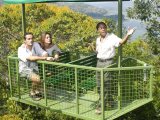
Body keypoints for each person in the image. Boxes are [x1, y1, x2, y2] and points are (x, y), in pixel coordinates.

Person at [93, 22, 136, 114]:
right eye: (101, 28)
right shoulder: (97, 39)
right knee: (99, 85)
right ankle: (110, 101)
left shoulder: (111, 37)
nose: (103, 29)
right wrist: (93, 49)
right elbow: (98, 51)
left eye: (104, 27)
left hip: (108, 63)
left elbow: (121, 42)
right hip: (99, 62)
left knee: (106, 84)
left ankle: (101, 106)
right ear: (98, 30)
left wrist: (128, 34)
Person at [18, 32, 53, 101]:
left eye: (32, 38)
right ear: (24, 40)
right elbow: (30, 58)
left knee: (48, 74)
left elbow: (43, 52)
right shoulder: (21, 49)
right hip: (24, 70)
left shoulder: (35, 44)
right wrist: (45, 58)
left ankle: (37, 91)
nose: (31, 40)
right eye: (28, 39)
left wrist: (45, 56)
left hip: (34, 68)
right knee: (37, 79)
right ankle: (32, 92)